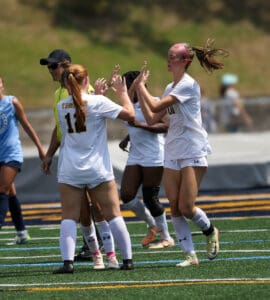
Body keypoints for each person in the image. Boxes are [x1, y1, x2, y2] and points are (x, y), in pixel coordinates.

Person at [135, 39, 228, 267]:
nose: (168, 60)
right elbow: (151, 118)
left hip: (193, 149)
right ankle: (190, 255)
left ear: (185, 61)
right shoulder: (169, 87)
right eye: (168, 55)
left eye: (173, 56)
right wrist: (137, 90)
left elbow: (156, 107)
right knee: (174, 207)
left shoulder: (188, 84)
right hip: (173, 150)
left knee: (187, 207)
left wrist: (140, 87)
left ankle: (209, 230)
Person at [43, 64, 135, 273]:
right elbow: (129, 114)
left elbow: (80, 110)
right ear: (87, 80)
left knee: (68, 216)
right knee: (113, 214)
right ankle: (127, 260)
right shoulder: (98, 101)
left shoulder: (62, 105)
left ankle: (68, 263)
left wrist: (100, 97)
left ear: (66, 83)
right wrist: (121, 93)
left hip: (70, 168)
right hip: (97, 168)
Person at [119, 70, 174, 249]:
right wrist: (127, 138)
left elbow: (165, 126)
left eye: (127, 86)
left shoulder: (155, 102)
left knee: (150, 198)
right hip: (135, 154)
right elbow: (133, 124)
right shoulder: (128, 105)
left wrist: (141, 125)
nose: (124, 89)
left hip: (154, 155)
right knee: (126, 196)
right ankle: (153, 225)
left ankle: (166, 237)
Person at [0, 76, 45, 243]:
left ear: (2, 85)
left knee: (2, 190)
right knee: (10, 193)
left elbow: (27, 125)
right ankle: (21, 233)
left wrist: (40, 149)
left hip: (11, 154)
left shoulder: (12, 102)